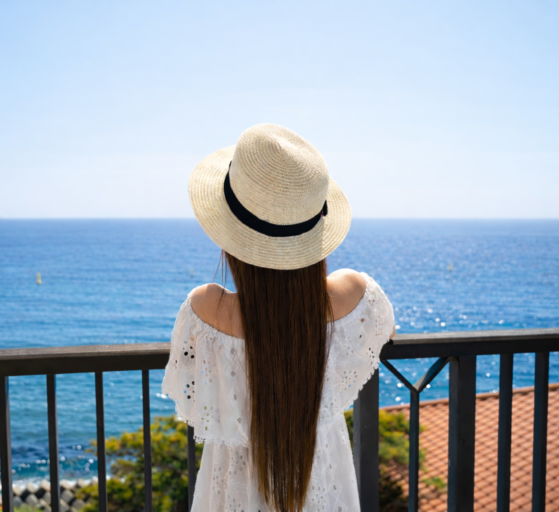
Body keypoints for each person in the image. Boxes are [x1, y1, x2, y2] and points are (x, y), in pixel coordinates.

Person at [161, 124, 396, 512]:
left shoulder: (206, 309)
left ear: (230, 236)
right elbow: (384, 330)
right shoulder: (354, 293)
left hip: (232, 491)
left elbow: (194, 392)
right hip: (322, 482)